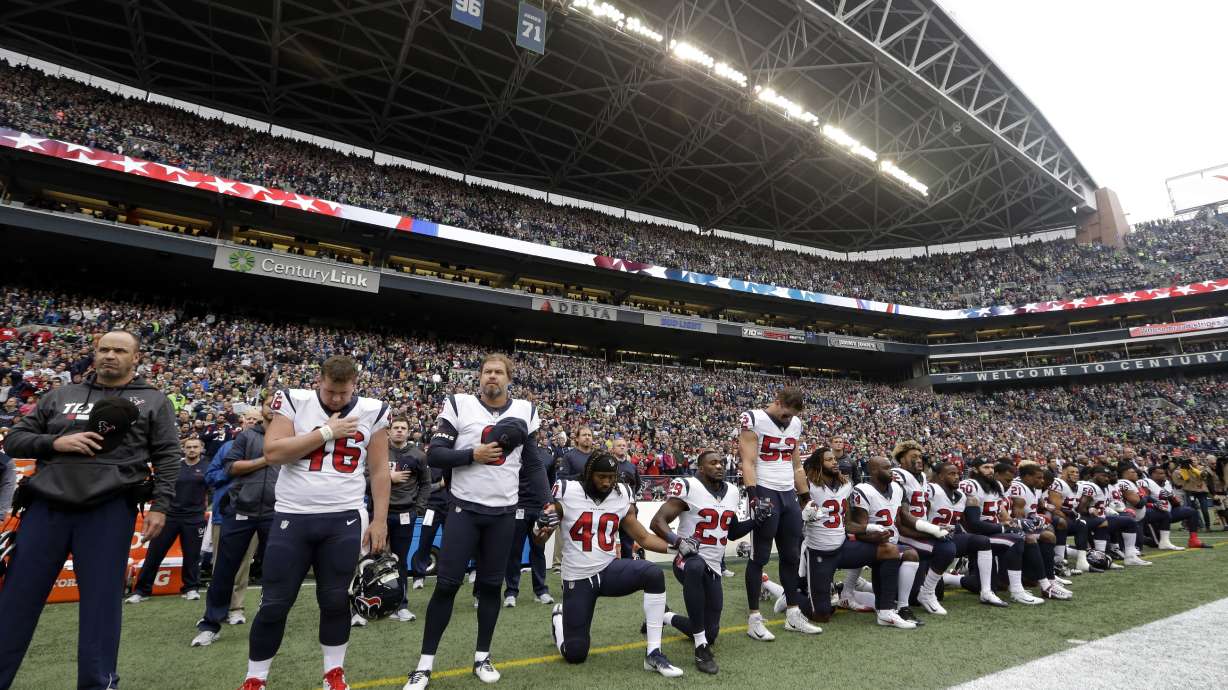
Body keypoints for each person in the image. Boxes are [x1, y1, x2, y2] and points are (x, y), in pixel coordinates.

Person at [0, 330, 181, 690]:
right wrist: (56, 441)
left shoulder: (154, 401)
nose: (110, 355)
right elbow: (16, 439)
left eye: (119, 350)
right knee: (16, 602)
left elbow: (167, 456)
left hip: (109, 510)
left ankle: (98, 684)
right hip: (46, 508)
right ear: (94, 354)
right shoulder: (60, 395)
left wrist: (161, 506)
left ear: (136, 358)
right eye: (104, 349)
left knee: (100, 608)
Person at [236, 356, 391, 690]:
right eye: (331, 391)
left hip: (345, 517)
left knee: (336, 600)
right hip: (293, 515)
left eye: (344, 393)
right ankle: (255, 678)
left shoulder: (372, 410)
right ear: (318, 381)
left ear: (355, 386)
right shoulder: (294, 401)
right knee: (275, 602)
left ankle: (334, 673)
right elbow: (274, 452)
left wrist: (379, 519)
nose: (337, 399)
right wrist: (326, 431)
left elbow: (379, 470)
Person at [405, 354, 550, 689]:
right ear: (479, 376)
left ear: (509, 378)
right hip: (464, 509)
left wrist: (546, 504)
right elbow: (436, 456)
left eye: (499, 372)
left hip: (503, 513)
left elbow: (531, 465)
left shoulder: (526, 411)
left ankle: (482, 656)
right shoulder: (459, 404)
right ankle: (424, 665)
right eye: (487, 372)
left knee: (490, 587)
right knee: (446, 585)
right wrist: (474, 454)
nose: (492, 377)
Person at [538, 452, 683, 677]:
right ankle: (559, 619)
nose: (607, 482)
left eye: (611, 477)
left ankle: (654, 653)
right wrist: (541, 527)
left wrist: (678, 548)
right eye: (601, 476)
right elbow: (540, 538)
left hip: (608, 570)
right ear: (588, 474)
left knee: (653, 574)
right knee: (575, 655)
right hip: (578, 577)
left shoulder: (621, 493)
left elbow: (643, 537)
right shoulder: (567, 491)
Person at [651, 450, 764, 673]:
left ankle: (664, 616)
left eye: (721, 462)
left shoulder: (732, 491)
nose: (720, 466)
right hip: (687, 561)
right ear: (700, 469)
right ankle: (700, 648)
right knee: (695, 564)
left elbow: (731, 533)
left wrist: (755, 521)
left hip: (713, 567)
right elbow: (657, 522)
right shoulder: (689, 487)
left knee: (710, 632)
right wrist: (678, 541)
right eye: (713, 463)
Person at [785, 447, 914, 629]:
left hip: (843, 548)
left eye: (834, 459)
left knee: (889, 550)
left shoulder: (846, 485)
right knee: (822, 614)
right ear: (818, 464)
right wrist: (802, 514)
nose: (834, 462)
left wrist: (870, 528)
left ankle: (886, 612)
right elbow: (792, 519)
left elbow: (848, 524)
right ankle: (789, 597)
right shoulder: (808, 485)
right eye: (829, 460)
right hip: (819, 553)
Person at [193, 398, 278, 647]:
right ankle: (211, 623)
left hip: (276, 511)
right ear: (261, 409)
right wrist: (265, 460)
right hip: (241, 510)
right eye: (269, 403)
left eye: (278, 403)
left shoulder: (293, 434)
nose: (273, 407)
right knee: (224, 570)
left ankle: (272, 618)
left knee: (279, 570)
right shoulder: (246, 437)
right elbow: (230, 468)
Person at [738, 387, 820, 639]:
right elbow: (748, 462)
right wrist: (754, 496)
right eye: (785, 414)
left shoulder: (795, 423)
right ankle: (754, 618)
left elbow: (796, 464)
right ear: (776, 402)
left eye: (791, 416)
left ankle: (793, 615)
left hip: (787, 494)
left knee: (791, 555)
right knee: (759, 555)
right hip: (764, 489)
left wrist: (805, 496)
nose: (787, 419)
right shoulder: (753, 418)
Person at [127, 436, 209, 602]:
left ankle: (191, 588)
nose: (192, 450)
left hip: (194, 518)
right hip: (169, 516)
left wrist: (205, 508)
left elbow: (212, 490)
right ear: (183, 449)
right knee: (154, 554)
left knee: (192, 556)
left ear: (201, 449)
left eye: (195, 447)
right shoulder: (175, 466)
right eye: (188, 447)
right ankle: (141, 591)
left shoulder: (208, 466)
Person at [205, 407, 265, 626]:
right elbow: (210, 476)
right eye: (248, 418)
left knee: (244, 564)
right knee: (220, 564)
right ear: (242, 421)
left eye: (255, 420)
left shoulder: (268, 447)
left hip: (253, 510)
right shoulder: (227, 448)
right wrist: (236, 470)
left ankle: (236, 607)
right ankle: (214, 610)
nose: (251, 422)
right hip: (226, 512)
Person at [381, 417, 430, 623]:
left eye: (403, 428)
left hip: (404, 514)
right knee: (375, 560)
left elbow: (426, 485)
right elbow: (365, 479)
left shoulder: (418, 455)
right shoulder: (379, 452)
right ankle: (372, 604)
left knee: (400, 560)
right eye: (396, 428)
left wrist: (417, 509)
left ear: (409, 432)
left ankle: (401, 605)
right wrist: (388, 478)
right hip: (380, 514)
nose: (399, 431)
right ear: (389, 431)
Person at [503, 450, 553, 608]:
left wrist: (547, 506)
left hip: (539, 510)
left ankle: (540, 591)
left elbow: (550, 483)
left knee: (538, 550)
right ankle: (511, 592)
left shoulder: (547, 457)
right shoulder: (512, 454)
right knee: (514, 551)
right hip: (517, 507)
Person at [1140, 465, 1210, 549]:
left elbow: (1176, 505)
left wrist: (1171, 498)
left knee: (1191, 511)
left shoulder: (1166, 483)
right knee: (1156, 544)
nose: (1164, 475)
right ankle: (1140, 538)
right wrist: (1157, 503)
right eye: (1161, 473)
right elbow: (1144, 500)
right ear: (1152, 474)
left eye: (1164, 473)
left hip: (1167, 513)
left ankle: (1193, 540)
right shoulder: (1145, 482)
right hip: (1153, 517)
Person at [611, 437, 640, 559]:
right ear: (612, 449)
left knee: (628, 540)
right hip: (611, 507)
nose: (622, 447)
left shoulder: (632, 467)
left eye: (624, 445)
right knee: (607, 537)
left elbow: (637, 485)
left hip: (629, 508)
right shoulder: (608, 465)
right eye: (619, 445)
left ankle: (627, 565)